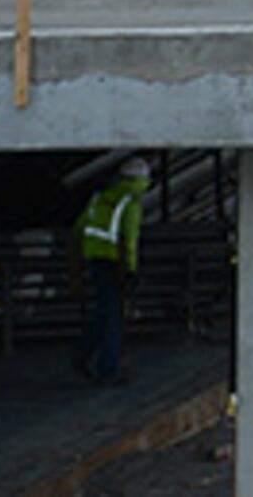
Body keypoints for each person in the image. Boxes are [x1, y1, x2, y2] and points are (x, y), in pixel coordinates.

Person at [78, 154, 151, 385]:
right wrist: (130, 270)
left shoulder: (100, 198)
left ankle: (82, 355)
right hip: (115, 264)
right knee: (114, 318)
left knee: (104, 312)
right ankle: (108, 369)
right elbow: (128, 240)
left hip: (95, 259)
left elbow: (80, 228)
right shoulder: (131, 203)